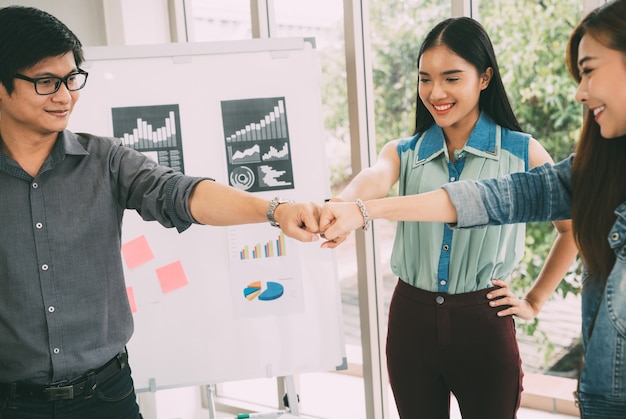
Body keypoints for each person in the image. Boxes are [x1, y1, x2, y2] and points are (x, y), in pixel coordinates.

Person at [0, 6, 321, 419]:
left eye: (72, 78)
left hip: (106, 395)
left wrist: (274, 210)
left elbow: (180, 193)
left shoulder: (105, 160)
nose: (65, 96)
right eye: (46, 82)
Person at [320, 1, 626, 418]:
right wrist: (341, 207)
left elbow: (568, 228)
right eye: (425, 79)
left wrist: (534, 301)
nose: (435, 92)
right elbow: (376, 178)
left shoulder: (522, 151)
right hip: (411, 318)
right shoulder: (405, 151)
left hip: (483, 320)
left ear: (484, 78)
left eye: (451, 78)